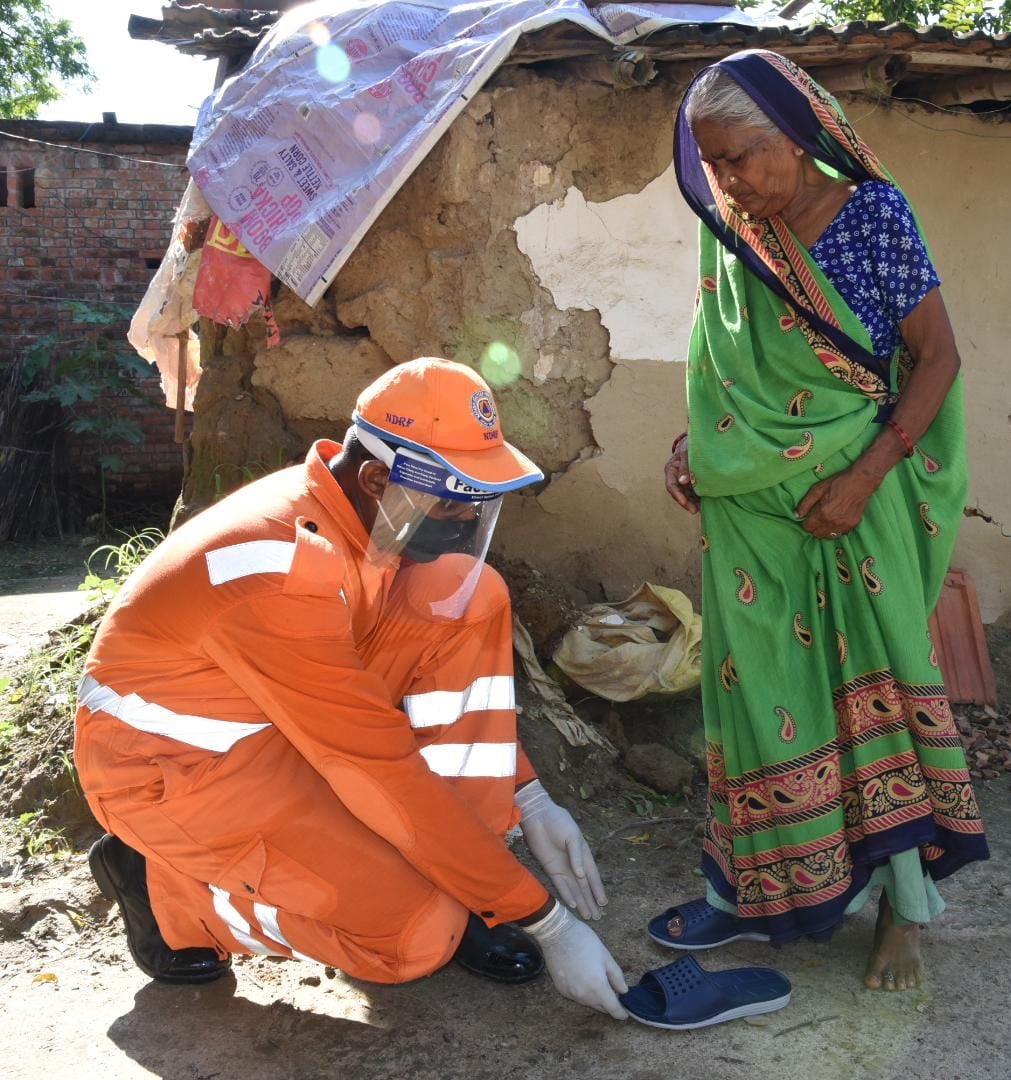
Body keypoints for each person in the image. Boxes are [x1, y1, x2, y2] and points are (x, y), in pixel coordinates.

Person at [75, 356, 628, 1020]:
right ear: (376, 478)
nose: (462, 523)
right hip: (181, 770)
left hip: (277, 721)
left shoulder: (356, 518)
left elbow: (377, 720)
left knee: (471, 594)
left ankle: (470, 882)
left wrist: (530, 800)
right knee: (415, 937)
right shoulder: (279, 569)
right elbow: (377, 766)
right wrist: (548, 923)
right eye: (450, 502)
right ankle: (170, 897)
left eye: (474, 504)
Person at [657, 50, 989, 991]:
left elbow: (937, 359)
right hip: (754, 524)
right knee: (764, 700)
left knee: (879, 692)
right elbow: (724, 377)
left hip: (856, 509)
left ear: (798, 138)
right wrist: (697, 453)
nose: (729, 182)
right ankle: (763, 890)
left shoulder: (874, 217)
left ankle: (905, 913)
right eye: (713, 164)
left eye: (742, 159)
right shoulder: (734, 240)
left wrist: (864, 477)